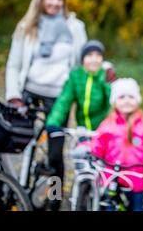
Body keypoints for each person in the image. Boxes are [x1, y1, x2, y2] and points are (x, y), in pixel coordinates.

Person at [5, 0, 87, 210]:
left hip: (59, 97)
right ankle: (10, 189)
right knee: (17, 142)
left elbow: (85, 61)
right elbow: (13, 64)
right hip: (28, 92)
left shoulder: (74, 27)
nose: (55, 3)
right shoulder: (26, 26)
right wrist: (13, 95)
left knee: (55, 153)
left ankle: (54, 199)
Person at [44, 39, 115, 210]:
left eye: (98, 56)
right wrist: (53, 122)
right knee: (81, 165)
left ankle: (107, 199)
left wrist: (108, 81)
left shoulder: (105, 76)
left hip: (104, 131)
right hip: (84, 131)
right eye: (89, 55)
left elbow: (114, 100)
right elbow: (64, 101)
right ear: (82, 59)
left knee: (105, 169)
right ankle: (77, 195)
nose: (94, 59)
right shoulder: (76, 77)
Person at [91, 78, 143, 211]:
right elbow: (97, 143)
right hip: (111, 176)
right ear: (114, 102)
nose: (126, 100)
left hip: (136, 177)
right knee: (107, 206)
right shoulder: (108, 124)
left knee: (137, 208)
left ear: (137, 100)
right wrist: (90, 154)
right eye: (121, 97)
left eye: (131, 97)